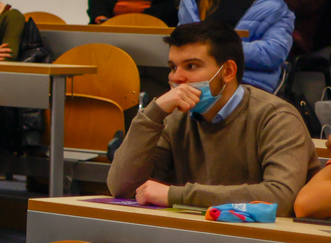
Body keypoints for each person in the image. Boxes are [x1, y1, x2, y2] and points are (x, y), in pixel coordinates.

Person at [106, 21, 312, 214]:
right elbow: (123, 188)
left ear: (228, 71)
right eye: (173, 67)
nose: (176, 78)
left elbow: (281, 197)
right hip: (197, 233)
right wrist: (153, 113)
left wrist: (177, 195)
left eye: (191, 66)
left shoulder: (277, 118)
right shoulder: (175, 118)